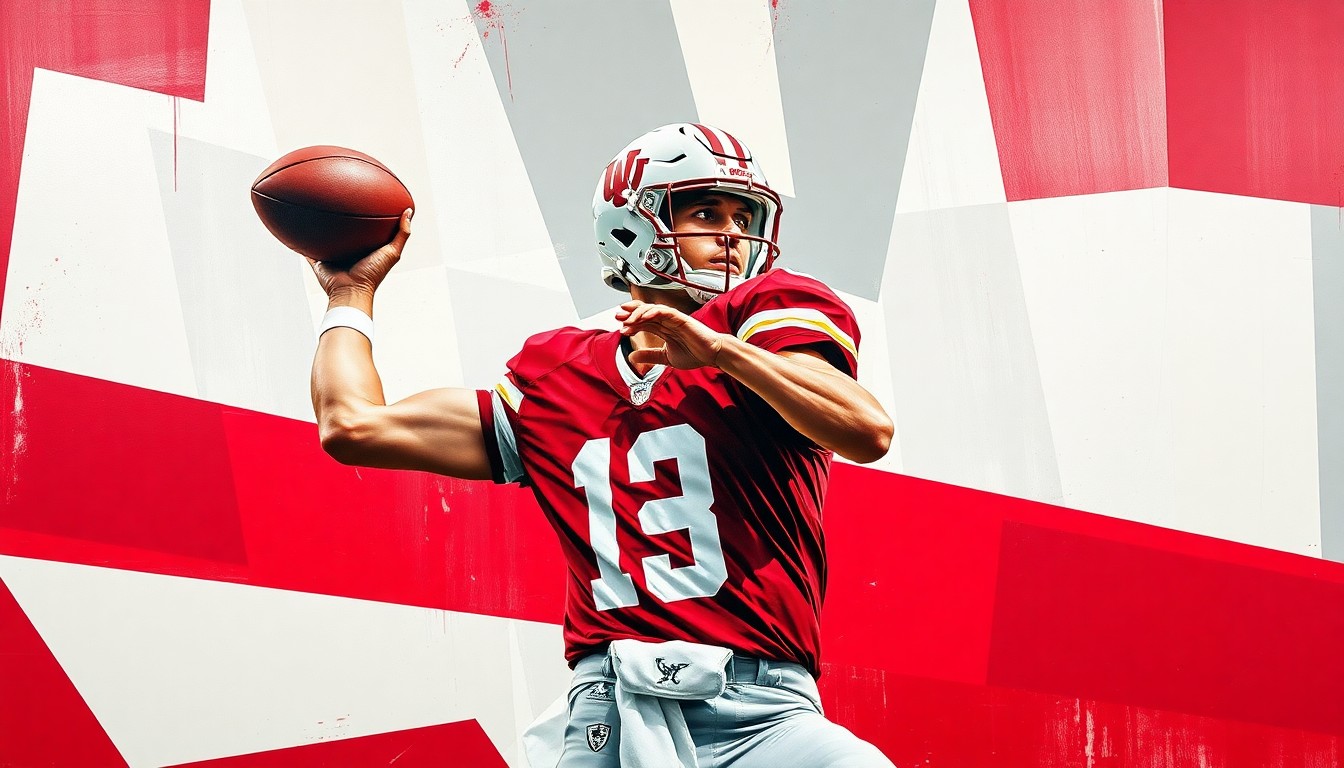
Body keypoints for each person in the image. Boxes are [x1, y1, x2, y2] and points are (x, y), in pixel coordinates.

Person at [308, 123, 896, 767]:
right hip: (610, 713)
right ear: (631, 227)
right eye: (706, 213)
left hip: (761, 709)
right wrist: (350, 293)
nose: (732, 233)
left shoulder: (763, 318)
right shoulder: (556, 374)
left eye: (743, 215)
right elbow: (353, 426)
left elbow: (865, 429)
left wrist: (720, 352)